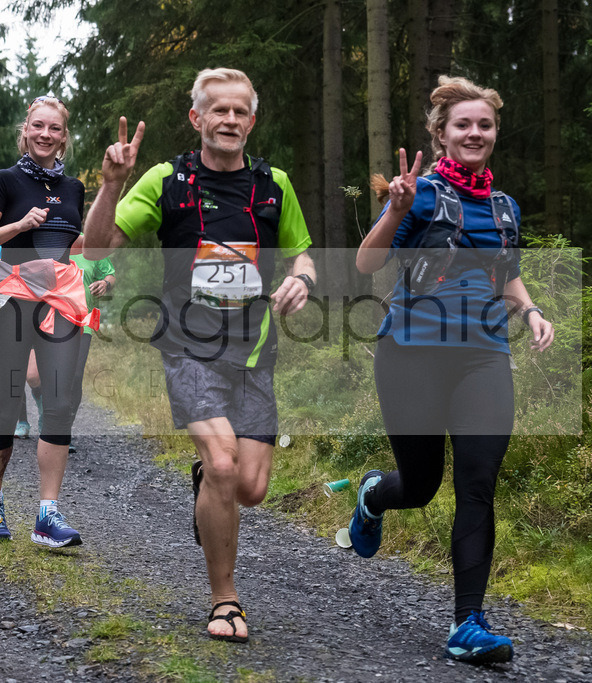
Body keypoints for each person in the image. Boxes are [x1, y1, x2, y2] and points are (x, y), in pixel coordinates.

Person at [82, 68, 315, 643]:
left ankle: (208, 482)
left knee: (251, 487)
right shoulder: (167, 180)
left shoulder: (275, 185)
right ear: (197, 118)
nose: (229, 120)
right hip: (188, 347)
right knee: (225, 464)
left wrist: (303, 279)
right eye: (218, 110)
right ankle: (225, 600)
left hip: (254, 350)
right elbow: (95, 248)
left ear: (251, 121)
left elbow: (302, 254)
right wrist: (111, 185)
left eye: (239, 111)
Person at [348, 75, 554, 664]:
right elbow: (366, 262)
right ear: (440, 134)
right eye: (463, 124)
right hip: (410, 354)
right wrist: (395, 209)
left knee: (478, 482)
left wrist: (531, 311)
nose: (475, 133)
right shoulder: (419, 195)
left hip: (483, 355)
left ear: (494, 132)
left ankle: (468, 623)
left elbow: (505, 274)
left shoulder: (504, 207)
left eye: (484, 124)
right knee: (421, 486)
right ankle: (374, 494)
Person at [0, 95, 95, 548]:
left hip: (59, 299)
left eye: (54, 128)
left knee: (59, 402)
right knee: (6, 405)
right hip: (11, 299)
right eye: (38, 126)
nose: (45, 134)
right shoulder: (5, 181)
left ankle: (48, 514)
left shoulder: (75, 188)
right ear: (26, 131)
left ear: (64, 136)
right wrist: (19, 226)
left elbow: (75, 244)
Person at [66, 247, 116, 453]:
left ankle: (64, 429)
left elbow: (110, 275)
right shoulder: (53, 241)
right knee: (53, 375)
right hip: (53, 321)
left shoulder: (90, 247)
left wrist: (104, 284)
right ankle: (50, 419)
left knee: (75, 375)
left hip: (83, 322)